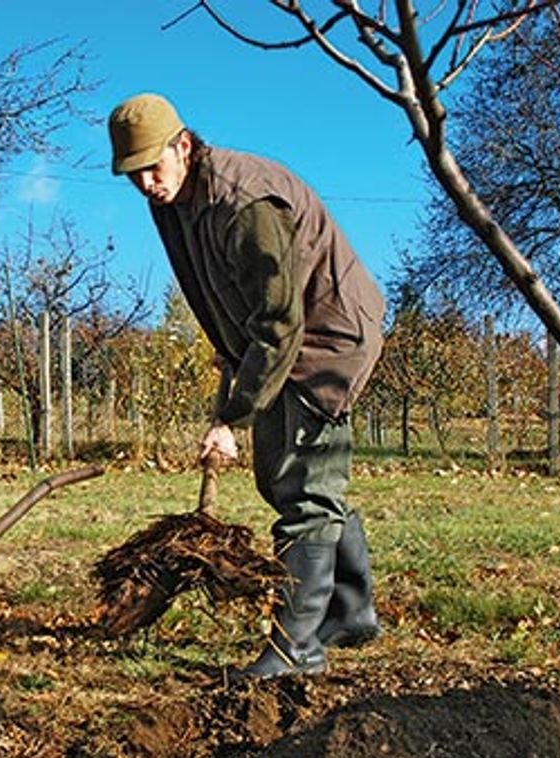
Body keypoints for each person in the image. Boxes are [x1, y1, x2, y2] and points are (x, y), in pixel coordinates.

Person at [107, 93, 387, 678]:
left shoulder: (244, 201)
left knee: (302, 487)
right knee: (290, 480)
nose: (146, 185)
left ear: (184, 145)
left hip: (326, 338)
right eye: (133, 176)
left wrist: (232, 419)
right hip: (275, 340)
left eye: (153, 168)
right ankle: (350, 611)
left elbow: (280, 321)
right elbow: (224, 295)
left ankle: (296, 650)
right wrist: (229, 359)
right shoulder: (175, 202)